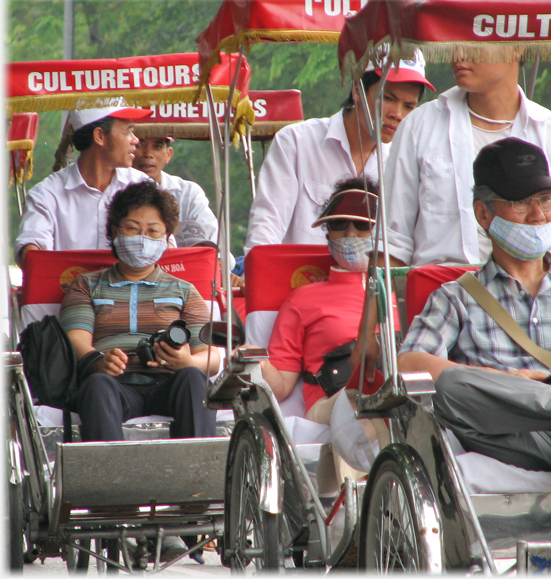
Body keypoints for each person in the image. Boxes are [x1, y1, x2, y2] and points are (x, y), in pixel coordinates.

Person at [397, 138, 551, 539]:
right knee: (449, 383)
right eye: (521, 202)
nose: (538, 215)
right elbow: (409, 364)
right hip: (516, 432)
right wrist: (512, 383)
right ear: (484, 213)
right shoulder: (456, 297)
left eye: (546, 199)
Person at [384, 49, 551, 267]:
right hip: (440, 295)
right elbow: (393, 239)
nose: (458, 54)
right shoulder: (420, 126)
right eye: (454, 43)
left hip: (538, 298)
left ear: (516, 46)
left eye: (474, 43)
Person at [250, 178, 394, 485]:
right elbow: (281, 385)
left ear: (381, 233)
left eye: (363, 225)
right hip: (333, 400)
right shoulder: (303, 298)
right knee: (361, 402)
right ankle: (360, 504)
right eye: (340, 224)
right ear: (327, 233)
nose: (351, 234)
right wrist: (252, 360)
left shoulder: (399, 292)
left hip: (393, 391)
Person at [59, 180, 220, 442]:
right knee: (96, 384)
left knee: (195, 379)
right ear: (115, 231)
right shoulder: (86, 285)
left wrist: (187, 362)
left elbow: (211, 357)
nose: (143, 239)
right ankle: (108, 480)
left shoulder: (185, 290)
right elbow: (76, 340)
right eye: (132, 229)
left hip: (169, 383)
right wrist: (99, 361)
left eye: (153, 231)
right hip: (115, 384)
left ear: (167, 237)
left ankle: (198, 477)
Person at [243, 49, 434, 254]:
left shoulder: (405, 164)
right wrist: (259, 273)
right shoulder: (296, 142)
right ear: (357, 91)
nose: (397, 114)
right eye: (387, 98)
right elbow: (266, 226)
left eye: (408, 106)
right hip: (299, 279)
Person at [15, 99, 152, 266]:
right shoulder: (47, 195)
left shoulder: (142, 186)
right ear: (100, 136)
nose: (135, 140)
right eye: (128, 132)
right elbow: (32, 252)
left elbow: (165, 244)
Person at [132, 136, 220, 245]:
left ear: (168, 154)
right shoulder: (114, 188)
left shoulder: (189, 193)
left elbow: (215, 244)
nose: (148, 154)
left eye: (157, 146)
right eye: (139, 145)